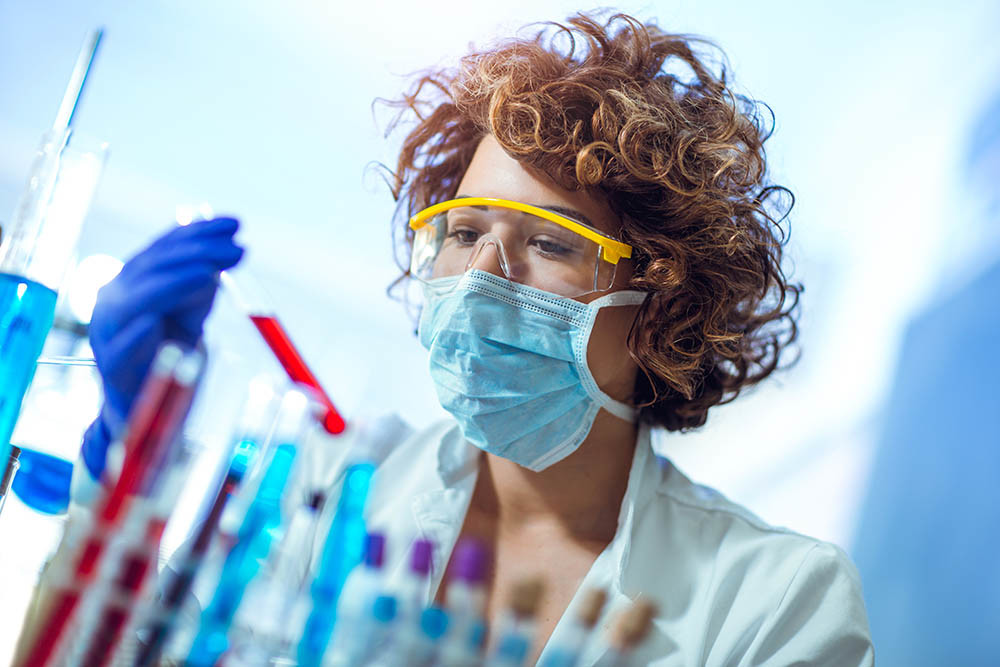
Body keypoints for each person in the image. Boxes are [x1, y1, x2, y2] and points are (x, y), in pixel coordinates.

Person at [74, 12, 874, 665]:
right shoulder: (321, 486)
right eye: (462, 232)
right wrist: (132, 449)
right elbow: (107, 642)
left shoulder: (775, 602)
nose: (481, 278)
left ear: (663, 306)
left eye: (552, 243)